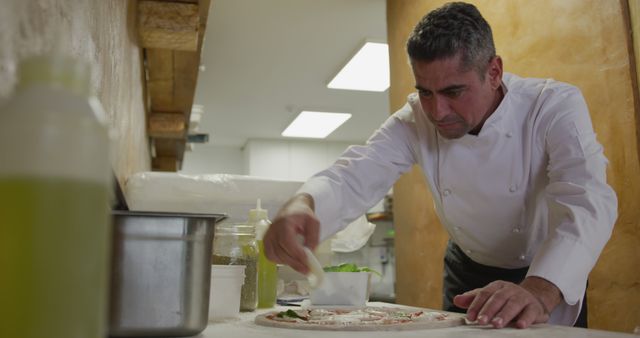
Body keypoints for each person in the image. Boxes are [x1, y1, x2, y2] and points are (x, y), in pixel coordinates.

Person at [263, 1, 617, 329]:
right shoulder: (414, 120)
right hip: (467, 272)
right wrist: (303, 204)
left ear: (494, 72)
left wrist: (541, 289)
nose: (436, 112)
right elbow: (354, 175)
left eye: (453, 92)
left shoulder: (552, 106)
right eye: (425, 92)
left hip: (547, 270)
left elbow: (587, 199)